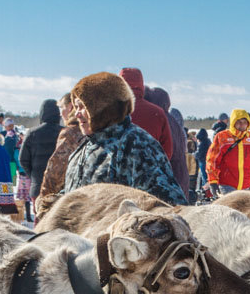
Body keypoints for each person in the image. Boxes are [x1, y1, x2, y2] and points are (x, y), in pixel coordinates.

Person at [63, 72, 185, 204]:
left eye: (82, 106)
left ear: (101, 107)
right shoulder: (85, 147)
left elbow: (169, 205)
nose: (77, 114)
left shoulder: (136, 146)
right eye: (76, 107)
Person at [35, 93, 83, 221]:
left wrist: (44, 202)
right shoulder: (95, 131)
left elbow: (55, 171)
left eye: (61, 107)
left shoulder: (70, 133)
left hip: (69, 201)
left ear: (70, 107)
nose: (60, 113)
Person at [119, 68, 174, 160]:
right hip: (149, 170)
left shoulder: (110, 112)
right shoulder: (157, 112)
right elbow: (167, 150)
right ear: (141, 85)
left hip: (117, 171)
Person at [206, 108, 250, 195]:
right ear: (233, 122)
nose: (242, 125)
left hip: (246, 185)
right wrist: (212, 180)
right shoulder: (222, 137)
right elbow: (212, 159)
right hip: (227, 184)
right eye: (239, 122)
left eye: (244, 122)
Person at [18, 98, 61, 209]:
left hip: (38, 185)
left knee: (39, 220)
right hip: (60, 186)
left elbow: (23, 159)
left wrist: (33, 175)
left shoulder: (32, 133)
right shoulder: (65, 132)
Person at [195, 128, 211, 195]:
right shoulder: (208, 141)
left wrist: (194, 155)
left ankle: (205, 191)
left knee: (204, 176)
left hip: (202, 161)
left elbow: (199, 153)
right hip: (208, 160)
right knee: (207, 176)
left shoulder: (201, 143)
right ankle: (207, 191)